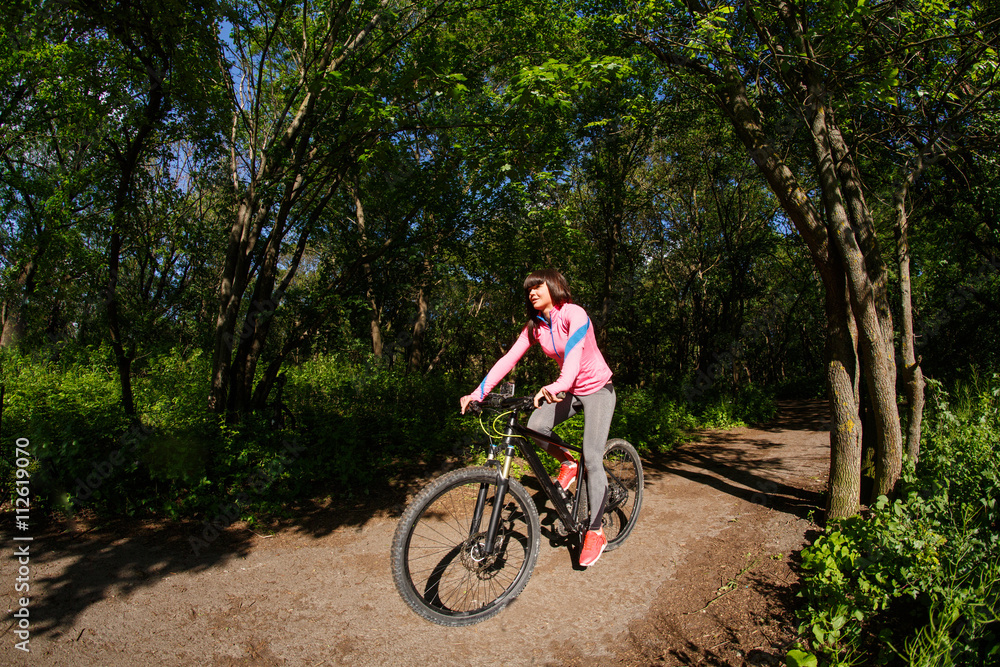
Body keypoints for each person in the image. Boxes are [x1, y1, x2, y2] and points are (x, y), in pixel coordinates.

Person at [459, 269, 616, 567]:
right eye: (527, 289)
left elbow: (573, 353)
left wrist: (558, 385)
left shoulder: (574, 314)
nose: (531, 292)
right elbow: (509, 359)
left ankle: (596, 531)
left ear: (554, 286)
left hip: (597, 389)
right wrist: (477, 393)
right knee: (535, 426)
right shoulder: (536, 327)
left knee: (593, 457)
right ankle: (568, 462)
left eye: (536, 286)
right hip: (568, 390)